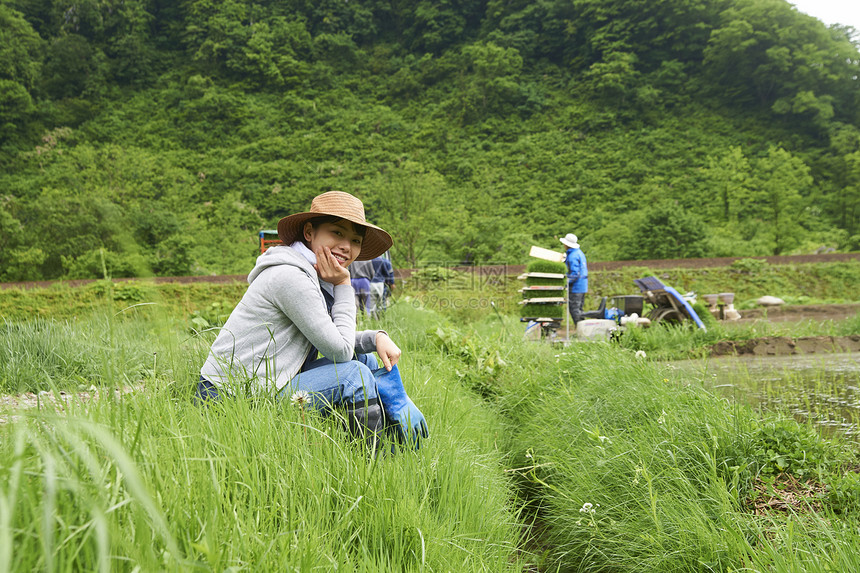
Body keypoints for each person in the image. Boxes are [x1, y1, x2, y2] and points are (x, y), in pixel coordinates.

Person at [197, 191, 429, 449]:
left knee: (365, 358)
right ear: (309, 232)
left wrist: (375, 338)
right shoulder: (291, 277)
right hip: (230, 397)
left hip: (273, 378)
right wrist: (343, 284)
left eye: (355, 239)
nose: (346, 246)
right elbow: (339, 352)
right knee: (354, 375)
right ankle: (373, 464)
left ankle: (394, 441)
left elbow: (329, 337)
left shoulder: (312, 274)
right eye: (337, 233)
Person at [561, 233, 588, 325]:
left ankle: (581, 331)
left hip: (576, 286)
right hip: (582, 285)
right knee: (579, 309)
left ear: (567, 245)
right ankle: (583, 329)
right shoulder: (579, 253)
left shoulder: (572, 256)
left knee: (574, 309)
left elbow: (575, 274)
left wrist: (565, 282)